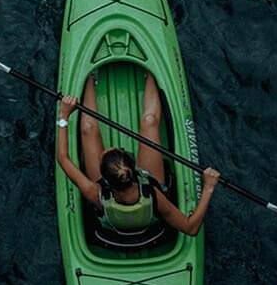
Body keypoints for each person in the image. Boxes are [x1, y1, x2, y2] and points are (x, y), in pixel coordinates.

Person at [56, 70, 219, 237]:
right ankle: (149, 72)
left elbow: (62, 158)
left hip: (114, 220)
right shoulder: (154, 195)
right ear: (134, 169)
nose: (108, 148)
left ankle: (90, 77)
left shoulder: (94, 192)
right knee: (150, 121)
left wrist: (64, 116)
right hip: (146, 205)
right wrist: (208, 187)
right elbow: (190, 228)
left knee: (87, 129)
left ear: (103, 178)